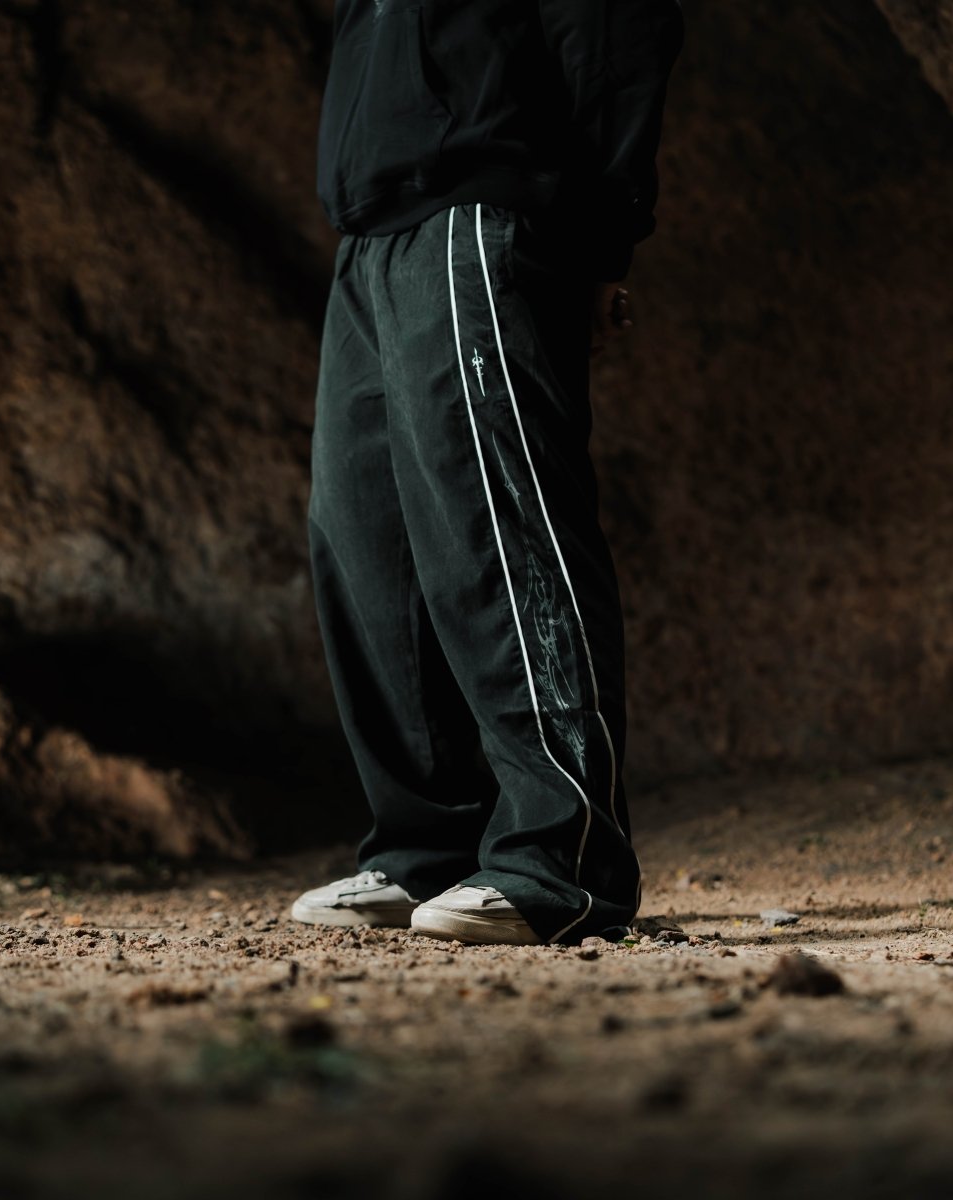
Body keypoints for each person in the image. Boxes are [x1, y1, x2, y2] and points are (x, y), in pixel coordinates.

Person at [290, 0, 684, 945]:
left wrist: (601, 239)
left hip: (478, 208)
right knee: (364, 548)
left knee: (498, 530)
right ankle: (426, 847)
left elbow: (616, 31)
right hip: (370, 234)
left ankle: (564, 857)